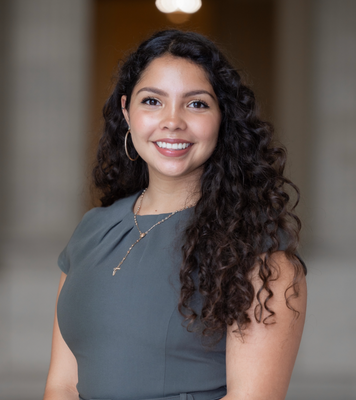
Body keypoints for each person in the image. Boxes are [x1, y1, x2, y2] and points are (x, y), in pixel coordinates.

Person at [43, 29, 307, 400]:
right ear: (126, 112)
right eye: (152, 101)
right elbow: (61, 385)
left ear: (222, 118)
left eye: (196, 104)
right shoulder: (92, 231)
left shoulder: (258, 251)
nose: (172, 121)